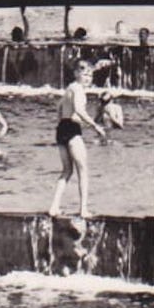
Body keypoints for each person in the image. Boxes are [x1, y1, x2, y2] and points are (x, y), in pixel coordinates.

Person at [48, 60, 106, 220]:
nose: (88, 78)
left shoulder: (69, 88)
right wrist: (96, 126)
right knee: (83, 170)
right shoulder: (79, 89)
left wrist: (61, 123)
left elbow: (59, 107)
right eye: (85, 74)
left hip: (62, 129)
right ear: (76, 74)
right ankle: (83, 209)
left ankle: (54, 207)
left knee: (66, 170)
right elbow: (79, 110)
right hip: (73, 129)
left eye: (90, 75)